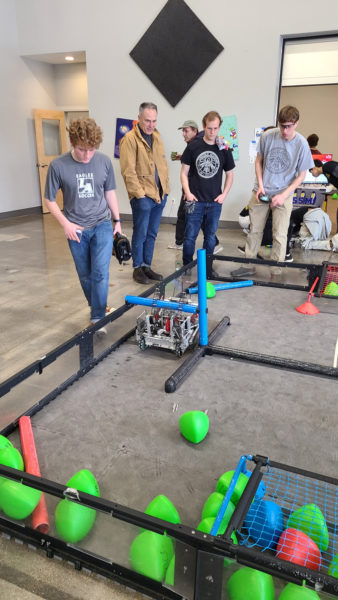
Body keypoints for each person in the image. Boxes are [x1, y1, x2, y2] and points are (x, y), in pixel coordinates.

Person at [44, 117, 122, 333]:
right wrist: (65, 225)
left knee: (100, 273)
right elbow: (49, 199)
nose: (87, 155)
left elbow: (109, 192)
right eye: (81, 149)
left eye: (91, 149)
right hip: (75, 228)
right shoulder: (58, 166)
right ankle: (98, 306)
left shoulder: (104, 162)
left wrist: (117, 220)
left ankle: (97, 318)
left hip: (102, 223)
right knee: (85, 275)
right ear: (72, 142)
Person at [232, 105, 314, 277]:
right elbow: (258, 161)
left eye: (289, 126)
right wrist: (260, 184)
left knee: (280, 234)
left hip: (284, 193)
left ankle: (276, 269)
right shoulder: (268, 136)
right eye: (282, 125)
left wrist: (283, 195)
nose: (284, 130)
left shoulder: (302, 144)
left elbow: (301, 175)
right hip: (261, 190)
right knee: (254, 230)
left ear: (296, 123)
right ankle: (248, 264)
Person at [119, 102, 169, 285]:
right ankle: (137, 268)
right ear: (139, 118)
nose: (151, 124)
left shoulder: (157, 137)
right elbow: (128, 171)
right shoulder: (129, 139)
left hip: (159, 195)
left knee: (152, 233)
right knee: (140, 233)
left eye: (154, 120)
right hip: (143, 197)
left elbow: (162, 165)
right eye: (147, 120)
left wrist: (166, 190)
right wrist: (139, 195)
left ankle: (147, 266)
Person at [180, 110, 235, 276]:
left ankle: (207, 268)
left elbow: (230, 174)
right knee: (190, 236)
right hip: (195, 201)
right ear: (204, 126)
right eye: (209, 128)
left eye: (216, 128)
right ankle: (187, 267)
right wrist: (188, 193)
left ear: (219, 128)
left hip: (214, 202)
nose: (212, 132)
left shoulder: (223, 148)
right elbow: (183, 172)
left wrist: (224, 194)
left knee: (210, 237)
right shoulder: (193, 146)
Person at [168, 120, 222, 253]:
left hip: (192, 191)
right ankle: (209, 243)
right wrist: (183, 157)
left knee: (188, 217)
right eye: (183, 131)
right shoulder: (195, 145)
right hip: (191, 189)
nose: (183, 134)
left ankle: (183, 243)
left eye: (186, 131)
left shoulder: (196, 144)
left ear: (195, 131)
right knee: (193, 217)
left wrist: (188, 191)